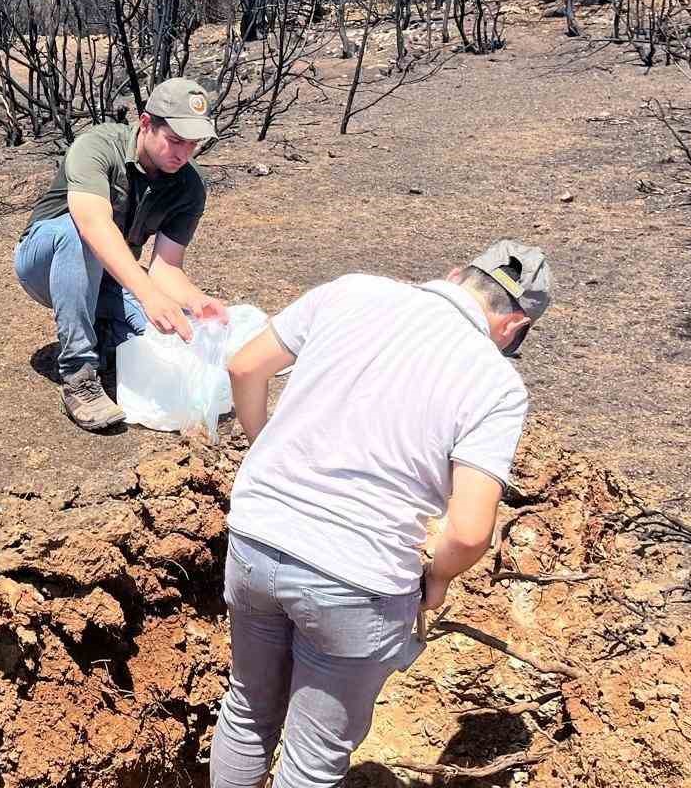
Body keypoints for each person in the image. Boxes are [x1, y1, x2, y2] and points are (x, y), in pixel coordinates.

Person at [209, 240, 553, 788]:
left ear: (454, 275)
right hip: (357, 577)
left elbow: (243, 365)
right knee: (312, 758)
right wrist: (435, 579)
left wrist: (264, 449)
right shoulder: (495, 383)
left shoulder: (351, 291)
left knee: (248, 710)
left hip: (255, 537)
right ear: (512, 327)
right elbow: (468, 532)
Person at [13, 78, 228, 431]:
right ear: (146, 123)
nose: (183, 154)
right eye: (175, 140)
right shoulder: (97, 146)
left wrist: (195, 300)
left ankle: (104, 332)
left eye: (193, 144)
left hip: (111, 276)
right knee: (77, 232)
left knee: (159, 339)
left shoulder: (189, 187)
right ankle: (79, 375)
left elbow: (166, 267)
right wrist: (147, 294)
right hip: (45, 259)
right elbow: (92, 224)